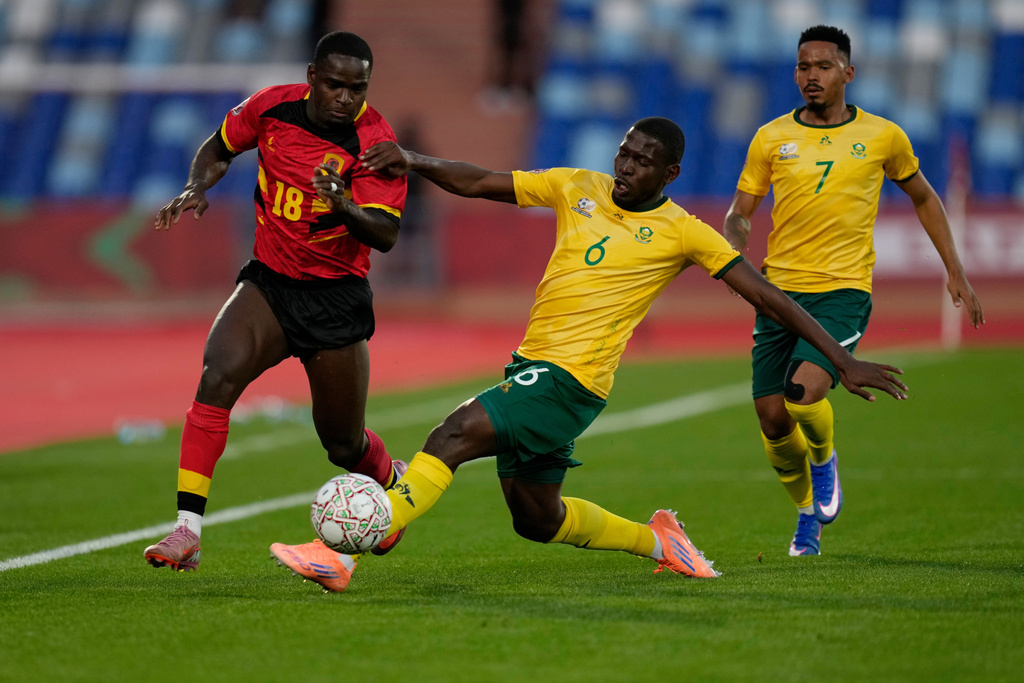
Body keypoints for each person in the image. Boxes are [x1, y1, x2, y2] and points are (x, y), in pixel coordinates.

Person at [268, 116, 910, 593]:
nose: (626, 165)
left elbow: (769, 298)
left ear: (669, 174)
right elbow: (484, 182)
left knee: (453, 433)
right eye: (624, 152)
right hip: (532, 367)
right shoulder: (578, 185)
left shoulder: (685, 231)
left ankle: (349, 550)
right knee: (536, 518)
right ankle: (658, 540)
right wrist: (414, 159)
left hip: (571, 380)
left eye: (642, 159)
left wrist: (840, 358)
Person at [144, 31, 410, 572]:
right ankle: (186, 533)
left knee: (342, 444)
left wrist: (343, 204)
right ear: (312, 77)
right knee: (217, 375)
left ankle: (392, 482)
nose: (345, 97)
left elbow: (384, 233)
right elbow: (219, 147)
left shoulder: (374, 143)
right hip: (269, 283)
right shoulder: (271, 107)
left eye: (356, 87)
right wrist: (199, 185)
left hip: (335, 297)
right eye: (334, 84)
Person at [722, 25, 985, 557]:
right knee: (773, 420)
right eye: (802, 66)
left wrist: (954, 269)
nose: (810, 76)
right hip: (778, 294)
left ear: (848, 72)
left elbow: (926, 198)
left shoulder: (884, 136)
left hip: (842, 290)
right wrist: (734, 244)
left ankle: (824, 463)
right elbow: (740, 211)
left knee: (804, 394)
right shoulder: (770, 137)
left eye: (822, 66)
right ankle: (806, 519)